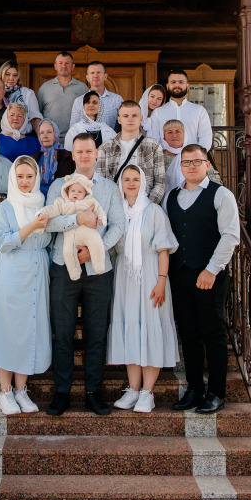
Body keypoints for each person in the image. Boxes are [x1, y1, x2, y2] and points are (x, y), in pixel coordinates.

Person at [46, 133, 124, 416]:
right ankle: (62, 392)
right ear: (73, 155)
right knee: (63, 332)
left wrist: (96, 250)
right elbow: (49, 222)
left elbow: (117, 225)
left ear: (97, 153)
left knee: (96, 332)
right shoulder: (58, 186)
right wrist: (77, 219)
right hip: (62, 266)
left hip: (98, 270)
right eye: (79, 151)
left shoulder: (109, 188)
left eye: (89, 151)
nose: (84, 156)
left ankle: (93, 391)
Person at [167, 143, 240, 414]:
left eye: (197, 161)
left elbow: (231, 236)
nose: (191, 166)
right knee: (188, 334)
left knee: (212, 334)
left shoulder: (221, 195)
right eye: (186, 163)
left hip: (210, 275)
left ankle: (216, 393)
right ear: (181, 166)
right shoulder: (172, 196)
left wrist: (212, 269)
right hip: (180, 276)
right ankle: (195, 388)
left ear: (207, 164)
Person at [0, 156, 52, 416]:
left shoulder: (43, 204)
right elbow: (3, 243)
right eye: (20, 176)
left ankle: (21, 390)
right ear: (13, 178)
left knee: (29, 328)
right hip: (12, 272)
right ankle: (5, 392)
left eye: (29, 177)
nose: (24, 182)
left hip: (38, 270)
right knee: (8, 330)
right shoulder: (5, 208)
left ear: (36, 178)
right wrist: (32, 226)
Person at [108, 166, 179, 413]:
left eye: (136, 179)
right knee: (130, 330)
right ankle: (133, 389)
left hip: (150, 276)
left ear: (143, 182)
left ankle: (148, 392)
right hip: (125, 278)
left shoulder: (154, 211)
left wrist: (161, 280)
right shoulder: (117, 213)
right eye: (126, 179)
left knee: (150, 329)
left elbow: (163, 249)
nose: (131, 183)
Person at [96, 100, 166, 204]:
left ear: (141, 119)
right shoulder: (105, 147)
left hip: (145, 205)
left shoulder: (153, 146)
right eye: (125, 116)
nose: (130, 119)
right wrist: (112, 207)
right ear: (119, 120)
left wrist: (147, 205)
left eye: (134, 115)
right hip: (115, 206)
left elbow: (160, 182)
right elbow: (101, 183)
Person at [42, 173, 108, 280]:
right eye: (73, 191)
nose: (76, 194)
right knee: (68, 252)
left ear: (86, 193)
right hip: (70, 235)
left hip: (88, 232)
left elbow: (99, 210)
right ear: (67, 191)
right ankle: (74, 272)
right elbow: (52, 210)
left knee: (96, 242)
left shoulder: (90, 202)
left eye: (80, 191)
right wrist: (43, 212)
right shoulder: (61, 202)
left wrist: (102, 218)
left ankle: (99, 264)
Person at [150, 69, 213, 152]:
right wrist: (164, 154)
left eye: (181, 82)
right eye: (173, 82)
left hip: (192, 161)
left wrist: (196, 156)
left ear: (187, 86)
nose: (177, 85)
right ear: (167, 86)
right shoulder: (158, 112)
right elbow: (154, 139)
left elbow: (205, 137)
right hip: (165, 160)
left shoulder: (199, 111)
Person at [0, 60, 41, 133]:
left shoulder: (27, 93)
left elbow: (35, 118)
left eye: (15, 75)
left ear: (18, 77)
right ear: (1, 75)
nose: (11, 78)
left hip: (23, 136)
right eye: (7, 74)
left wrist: (41, 135)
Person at [36, 51, 88, 137]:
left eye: (67, 63)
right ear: (55, 66)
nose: (64, 66)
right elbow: (37, 114)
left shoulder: (83, 88)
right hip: (50, 140)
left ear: (73, 66)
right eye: (60, 63)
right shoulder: (44, 88)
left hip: (75, 138)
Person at [69, 60, 123, 131]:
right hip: (85, 141)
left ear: (105, 76)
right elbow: (73, 129)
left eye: (98, 72)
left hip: (110, 141)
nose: (95, 75)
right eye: (92, 73)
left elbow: (123, 126)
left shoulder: (117, 100)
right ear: (87, 78)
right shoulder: (79, 101)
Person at [35, 118, 74, 196]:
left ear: (55, 134)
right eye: (42, 133)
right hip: (38, 199)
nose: (45, 136)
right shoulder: (34, 158)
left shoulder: (67, 157)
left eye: (49, 132)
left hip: (60, 199)